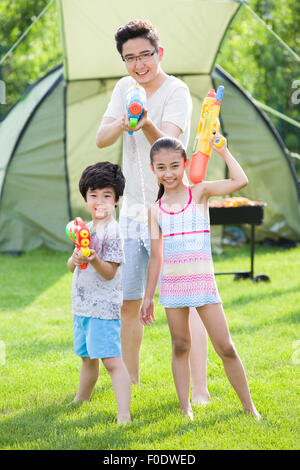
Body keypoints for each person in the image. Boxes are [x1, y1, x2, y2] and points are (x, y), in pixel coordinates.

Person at [96, 19, 210, 403]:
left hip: (172, 211)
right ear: (124, 61)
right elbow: (101, 138)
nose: (139, 64)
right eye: (130, 58)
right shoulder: (123, 88)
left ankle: (201, 389)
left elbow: (171, 147)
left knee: (187, 301)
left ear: (159, 53)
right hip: (132, 213)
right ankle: (130, 382)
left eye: (145, 55)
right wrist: (124, 120)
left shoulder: (177, 91)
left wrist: (143, 122)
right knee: (128, 302)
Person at [140, 136, 261, 421]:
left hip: (203, 284)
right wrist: (148, 297)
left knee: (226, 347)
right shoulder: (154, 211)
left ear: (185, 164)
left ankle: (249, 408)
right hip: (173, 288)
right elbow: (156, 257)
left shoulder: (201, 192)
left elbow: (240, 181)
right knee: (180, 345)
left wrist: (223, 151)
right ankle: (186, 409)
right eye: (161, 167)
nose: (168, 173)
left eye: (173, 166)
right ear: (152, 169)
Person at [67, 161, 131, 424]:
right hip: (82, 307)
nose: (100, 201)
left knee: (111, 362)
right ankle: (80, 400)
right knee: (86, 358)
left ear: (117, 200)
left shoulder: (113, 233)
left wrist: (93, 259)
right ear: (85, 198)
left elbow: (109, 273)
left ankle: (124, 415)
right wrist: (76, 257)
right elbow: (72, 266)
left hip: (103, 309)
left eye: (107, 195)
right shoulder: (86, 229)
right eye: (94, 194)